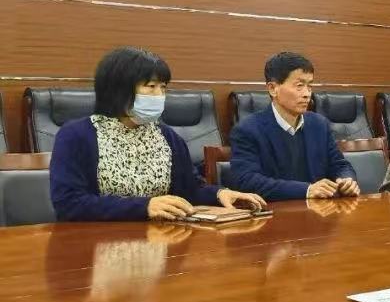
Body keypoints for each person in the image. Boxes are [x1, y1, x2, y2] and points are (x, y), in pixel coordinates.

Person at [50, 47, 266, 222]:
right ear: (118, 89)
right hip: (94, 246)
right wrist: (144, 207)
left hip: (159, 242)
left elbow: (188, 191)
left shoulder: (167, 137)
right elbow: (69, 203)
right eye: (151, 86)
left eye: (163, 88)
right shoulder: (76, 136)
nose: (159, 95)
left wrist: (220, 194)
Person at [230, 52, 359, 201]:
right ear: (273, 88)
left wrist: (346, 180)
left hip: (320, 211)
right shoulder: (247, 130)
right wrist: (306, 190)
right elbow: (247, 181)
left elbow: (340, 165)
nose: (307, 94)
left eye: (309, 86)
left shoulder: (319, 125)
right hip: (276, 212)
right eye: (299, 86)